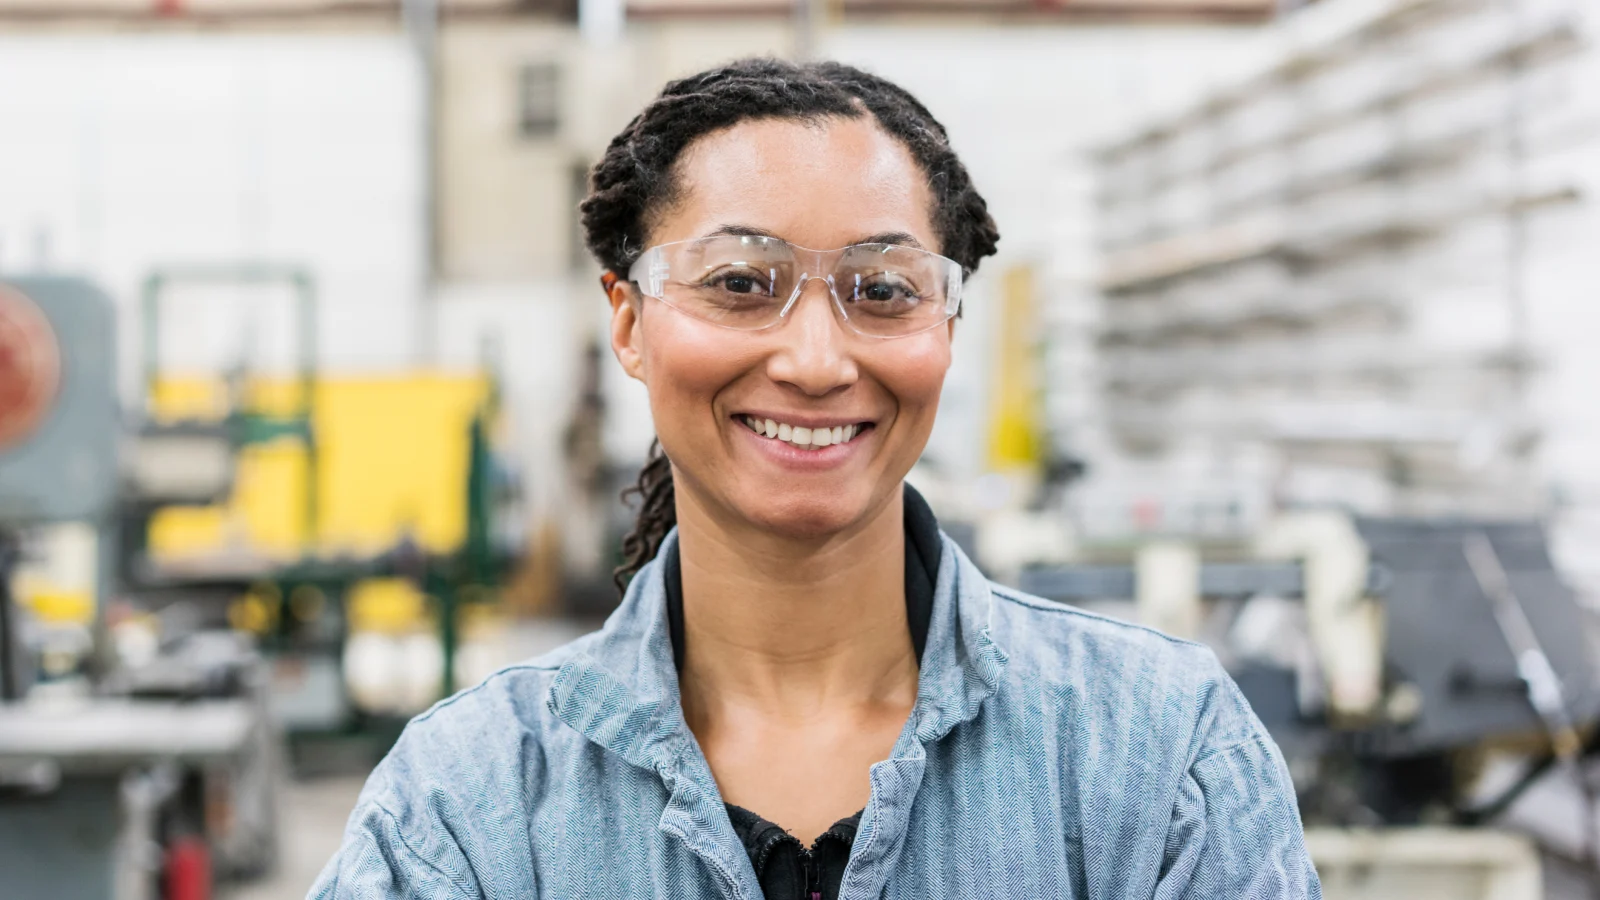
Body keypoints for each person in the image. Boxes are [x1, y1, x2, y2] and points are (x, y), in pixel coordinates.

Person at [310, 57, 1320, 899]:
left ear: (946, 323)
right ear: (627, 320)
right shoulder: (467, 805)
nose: (815, 360)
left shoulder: (1154, 754)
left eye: (882, 290)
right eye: (740, 285)